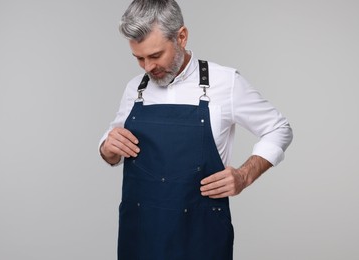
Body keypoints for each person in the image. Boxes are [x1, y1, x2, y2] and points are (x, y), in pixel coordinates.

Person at [99, 0, 293, 259]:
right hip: (140, 234)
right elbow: (113, 145)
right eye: (139, 58)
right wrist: (107, 148)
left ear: (181, 36)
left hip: (201, 236)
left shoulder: (225, 83)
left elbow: (279, 128)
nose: (147, 67)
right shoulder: (135, 89)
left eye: (155, 56)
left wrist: (245, 175)